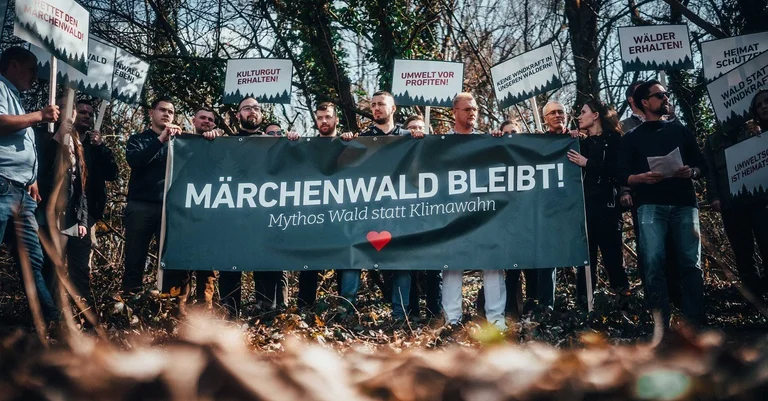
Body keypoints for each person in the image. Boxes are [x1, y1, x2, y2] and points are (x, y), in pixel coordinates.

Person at [617, 80, 707, 328]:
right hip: (649, 206)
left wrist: (693, 172)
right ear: (644, 102)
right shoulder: (631, 137)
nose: (665, 98)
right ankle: (661, 324)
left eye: (666, 94)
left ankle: (694, 323)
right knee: (654, 262)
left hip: (684, 204)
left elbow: (702, 164)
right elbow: (622, 175)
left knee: (691, 263)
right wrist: (640, 178)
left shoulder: (680, 131)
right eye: (659, 95)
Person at [339, 91, 413, 320]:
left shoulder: (409, 137)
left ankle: (400, 316)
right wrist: (346, 144)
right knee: (354, 259)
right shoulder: (362, 139)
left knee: (402, 263)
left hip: (399, 212)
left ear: (393, 109)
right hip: (367, 212)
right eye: (373, 105)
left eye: (382, 104)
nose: (377, 108)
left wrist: (421, 140)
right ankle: (346, 313)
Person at [0, 46, 59, 322]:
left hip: (21, 191)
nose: (35, 77)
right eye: (32, 70)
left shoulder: (15, 96)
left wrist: (32, 178)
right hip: (2, 186)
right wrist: (39, 116)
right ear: (13, 65)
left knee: (32, 260)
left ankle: (49, 322)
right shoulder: (0, 87)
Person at [441, 92, 506, 330]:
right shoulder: (441, 144)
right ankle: (452, 321)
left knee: (492, 263)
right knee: (452, 265)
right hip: (453, 213)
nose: (472, 113)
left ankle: (496, 322)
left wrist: (502, 141)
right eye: (467, 109)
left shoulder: (486, 141)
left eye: (475, 109)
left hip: (483, 213)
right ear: (454, 112)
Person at [705, 90, 768, 299]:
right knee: (743, 253)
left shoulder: (752, 130)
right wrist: (714, 197)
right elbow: (710, 173)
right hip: (731, 204)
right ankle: (756, 300)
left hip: (758, 201)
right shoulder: (712, 141)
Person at [567, 99, 630, 306]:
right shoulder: (582, 143)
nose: (579, 116)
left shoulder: (616, 140)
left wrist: (588, 164)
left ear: (595, 115)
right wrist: (569, 139)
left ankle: (623, 303)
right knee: (586, 259)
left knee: (613, 257)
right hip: (584, 209)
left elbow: (619, 171)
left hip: (609, 207)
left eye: (583, 111)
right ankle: (585, 305)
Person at [122, 97, 182, 295]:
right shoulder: (138, 140)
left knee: (171, 260)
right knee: (135, 259)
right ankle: (131, 304)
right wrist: (160, 140)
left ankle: (168, 306)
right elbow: (136, 161)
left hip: (169, 208)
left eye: (171, 112)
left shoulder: (178, 143)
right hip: (141, 207)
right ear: (151, 113)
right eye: (162, 110)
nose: (166, 114)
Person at [36, 97, 91, 307]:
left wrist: (83, 220)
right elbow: (42, 171)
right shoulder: (43, 135)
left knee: (62, 266)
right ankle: (46, 312)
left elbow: (81, 186)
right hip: (47, 211)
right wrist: (58, 137)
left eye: (73, 110)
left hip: (69, 214)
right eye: (64, 109)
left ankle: (63, 312)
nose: (70, 114)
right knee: (47, 264)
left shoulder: (77, 144)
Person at [402, 114, 441, 319]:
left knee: (435, 269)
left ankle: (435, 313)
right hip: (406, 220)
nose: (416, 131)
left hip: (433, 219)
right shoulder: (398, 156)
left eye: (420, 127)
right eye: (411, 128)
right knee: (410, 268)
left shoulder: (435, 153)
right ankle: (412, 313)